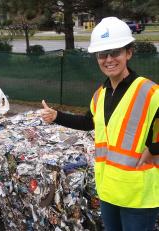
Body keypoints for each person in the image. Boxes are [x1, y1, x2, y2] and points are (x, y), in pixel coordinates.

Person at [41, 17, 159, 231]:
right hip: (109, 190)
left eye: (115, 52)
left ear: (128, 53)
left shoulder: (149, 91)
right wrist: (56, 115)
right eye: (103, 54)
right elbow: (89, 122)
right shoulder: (100, 95)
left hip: (138, 194)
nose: (109, 59)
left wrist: (155, 148)